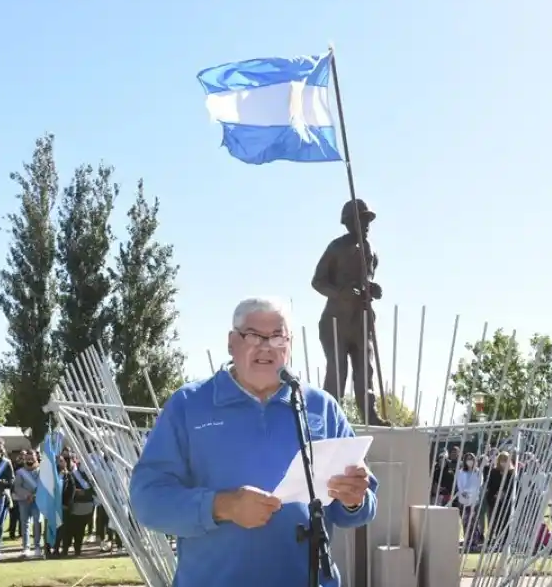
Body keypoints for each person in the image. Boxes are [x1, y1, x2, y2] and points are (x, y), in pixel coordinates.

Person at [129, 297, 378, 587]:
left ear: (290, 345)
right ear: (231, 342)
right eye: (253, 335)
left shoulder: (320, 407)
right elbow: (147, 500)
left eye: (277, 336)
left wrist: (353, 500)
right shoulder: (189, 405)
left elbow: (363, 505)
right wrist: (223, 506)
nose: (266, 346)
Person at [312, 199, 388, 426]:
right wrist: (340, 292)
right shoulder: (336, 247)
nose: (365, 224)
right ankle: (329, 418)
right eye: (360, 219)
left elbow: (368, 281)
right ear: (348, 223)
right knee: (338, 371)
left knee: (366, 370)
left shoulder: (372, 250)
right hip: (336, 320)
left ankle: (370, 415)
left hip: (362, 319)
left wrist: (373, 289)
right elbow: (317, 281)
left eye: (367, 220)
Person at [14, 450, 43, 558]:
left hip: (38, 500)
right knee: (25, 523)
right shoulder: (20, 472)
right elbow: (17, 486)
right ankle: (26, 547)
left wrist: (35, 495)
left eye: (32, 457)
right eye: (28, 458)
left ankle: (37, 547)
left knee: (37, 522)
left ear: (36, 458)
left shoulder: (41, 471)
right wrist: (27, 495)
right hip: (24, 500)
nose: (30, 460)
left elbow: (43, 485)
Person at [456, 453, 483, 552]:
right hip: (464, 499)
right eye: (468, 459)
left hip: (474, 500)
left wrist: (471, 493)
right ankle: (467, 541)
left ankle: (475, 541)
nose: (469, 461)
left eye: (471, 459)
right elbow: (460, 485)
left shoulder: (478, 472)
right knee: (466, 520)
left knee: (474, 521)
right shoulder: (461, 472)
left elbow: (479, 484)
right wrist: (464, 493)